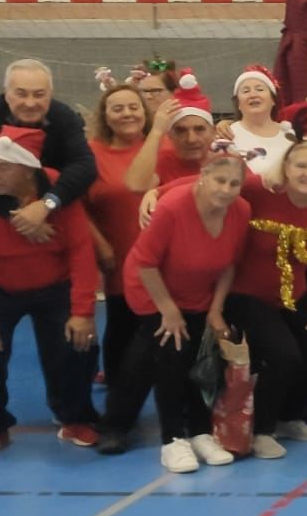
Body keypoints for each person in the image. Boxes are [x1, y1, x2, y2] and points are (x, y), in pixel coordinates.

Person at [0, 126, 102, 456]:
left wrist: (82, 312)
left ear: (27, 168)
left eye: (2, 166)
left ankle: (74, 416)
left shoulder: (57, 188)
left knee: (80, 344)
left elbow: (80, 251)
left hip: (54, 284)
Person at [104, 151, 252, 469]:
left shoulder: (240, 210)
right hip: (151, 289)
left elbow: (229, 265)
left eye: (234, 184)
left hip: (198, 292)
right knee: (173, 351)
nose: (226, 189)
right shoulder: (173, 207)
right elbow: (145, 263)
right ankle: (173, 438)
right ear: (202, 178)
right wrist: (168, 310)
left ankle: (191, 431)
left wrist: (216, 309)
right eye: (219, 180)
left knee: (186, 358)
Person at [226, 116, 307, 452]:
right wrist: (157, 192)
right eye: (301, 165)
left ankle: (290, 416)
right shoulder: (258, 191)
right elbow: (210, 182)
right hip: (246, 295)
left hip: (295, 295)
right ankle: (261, 430)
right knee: (283, 355)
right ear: (287, 167)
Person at [0, 59, 99, 245]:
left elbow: (85, 166)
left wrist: (46, 205)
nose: (30, 103)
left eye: (39, 95)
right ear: (6, 93)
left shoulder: (64, 116)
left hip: (56, 216)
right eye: (21, 94)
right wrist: (19, 215)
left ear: (50, 95)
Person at [84, 80, 162, 392]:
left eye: (133, 107)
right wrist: (100, 245)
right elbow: (78, 208)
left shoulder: (163, 146)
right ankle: (119, 394)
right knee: (121, 327)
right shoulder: (92, 154)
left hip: (164, 261)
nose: (127, 113)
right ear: (106, 116)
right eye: (118, 108)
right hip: (119, 256)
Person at [225, 65, 292, 179]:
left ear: (273, 100)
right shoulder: (228, 135)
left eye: (260, 89)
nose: (253, 95)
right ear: (238, 104)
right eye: (245, 91)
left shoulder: (290, 134)